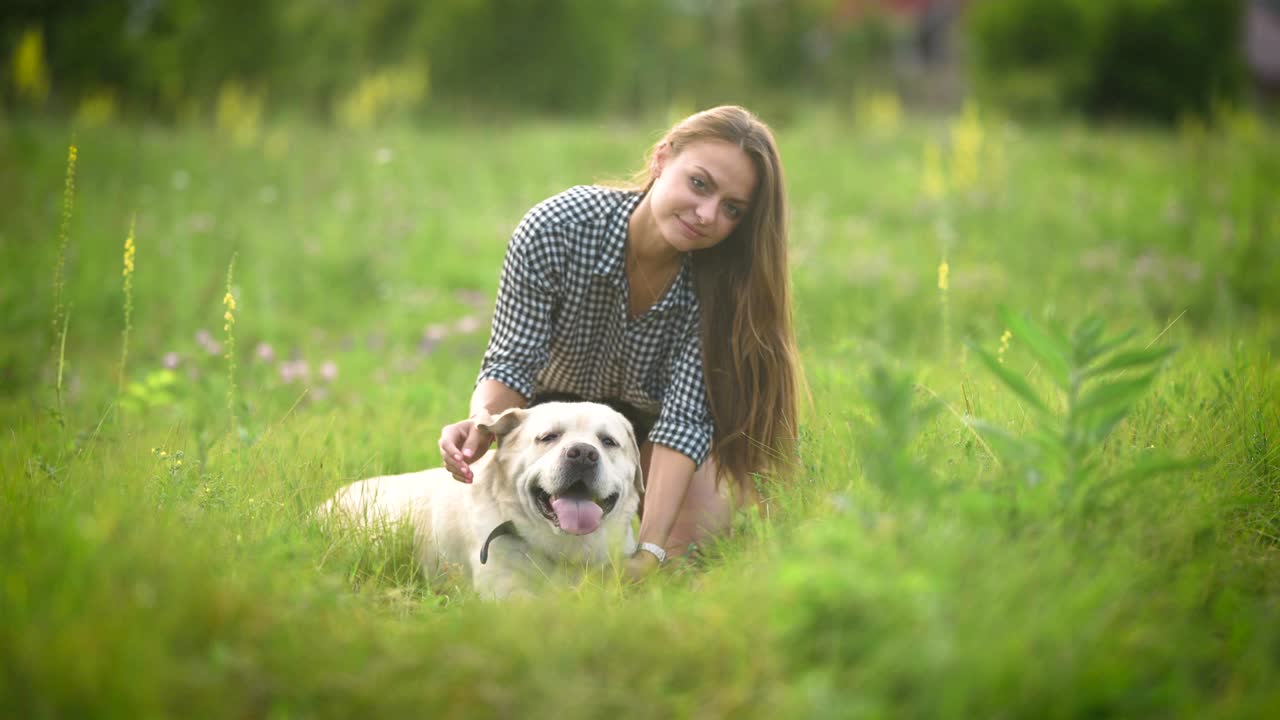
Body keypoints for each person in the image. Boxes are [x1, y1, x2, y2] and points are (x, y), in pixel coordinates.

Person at [438, 105, 804, 581]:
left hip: (647, 433)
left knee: (688, 544)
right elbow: (512, 361)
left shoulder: (723, 285)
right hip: (550, 418)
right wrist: (480, 425)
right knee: (514, 521)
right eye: (699, 184)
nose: (708, 214)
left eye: (732, 209)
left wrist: (651, 551)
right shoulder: (557, 228)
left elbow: (683, 422)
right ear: (661, 159)